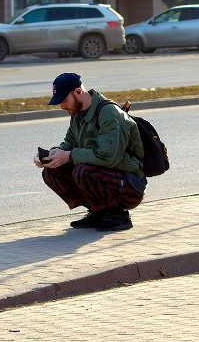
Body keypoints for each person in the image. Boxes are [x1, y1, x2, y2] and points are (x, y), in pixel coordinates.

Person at [35, 72, 146, 232]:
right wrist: (51, 156)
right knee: (52, 171)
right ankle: (98, 212)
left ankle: (118, 215)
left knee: (83, 171)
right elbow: (69, 144)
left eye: (64, 100)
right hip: (107, 176)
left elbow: (108, 157)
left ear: (78, 91)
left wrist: (70, 156)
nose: (62, 107)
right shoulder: (77, 114)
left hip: (130, 184)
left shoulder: (108, 112)